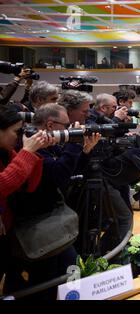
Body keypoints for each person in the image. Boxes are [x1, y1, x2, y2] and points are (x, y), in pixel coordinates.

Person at [7, 104, 100, 296]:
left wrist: (85, 151)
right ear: (50, 124)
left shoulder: (48, 145)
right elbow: (57, 175)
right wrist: (74, 142)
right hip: (34, 227)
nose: (68, 129)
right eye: (66, 125)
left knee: (70, 268)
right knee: (45, 282)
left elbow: (67, 176)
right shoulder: (31, 146)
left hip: (50, 222)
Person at [0, 105, 51, 293]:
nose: (19, 135)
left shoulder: (6, 150)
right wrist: (27, 153)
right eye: (16, 131)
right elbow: (3, 185)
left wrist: (36, 152)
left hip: (7, 230)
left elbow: (29, 185)